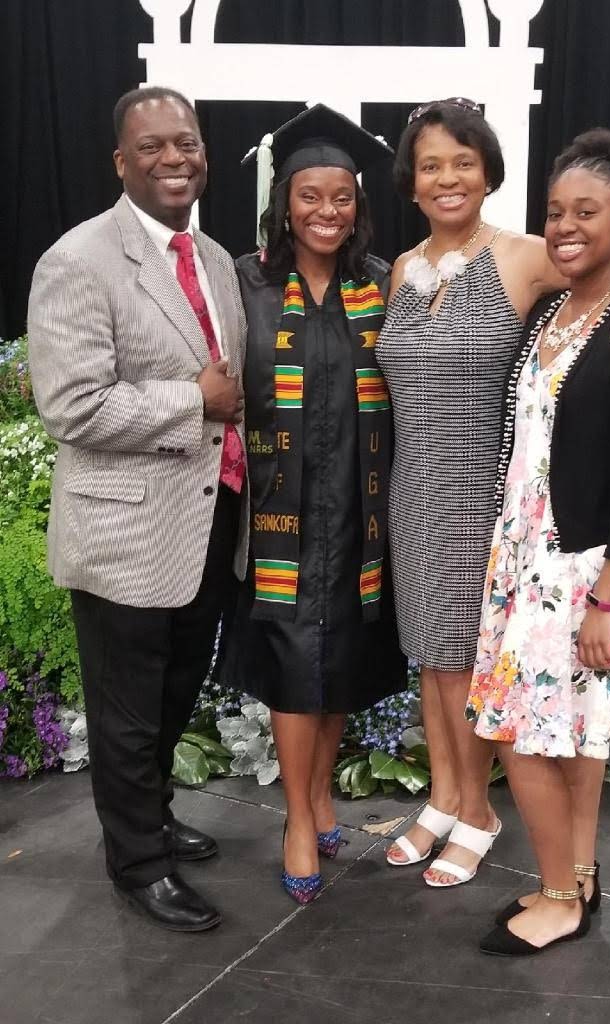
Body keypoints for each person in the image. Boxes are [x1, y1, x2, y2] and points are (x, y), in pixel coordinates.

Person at [376, 99, 610, 888]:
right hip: (414, 489)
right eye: (432, 163)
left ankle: (477, 807)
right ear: (411, 180)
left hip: (489, 493)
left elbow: (603, 262)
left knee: (468, 657)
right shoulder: (402, 270)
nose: (448, 177)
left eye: (463, 161)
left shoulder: (525, 253)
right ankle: (444, 795)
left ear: (488, 173)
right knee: (430, 655)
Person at [27, 87, 249, 932]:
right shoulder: (78, 260)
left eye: (185, 143)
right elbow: (72, 408)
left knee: (171, 697)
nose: (174, 158)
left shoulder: (216, 259)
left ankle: (145, 818)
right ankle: (137, 866)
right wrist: (191, 400)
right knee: (125, 710)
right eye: (152, 146)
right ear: (122, 162)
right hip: (124, 528)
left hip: (206, 523)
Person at [467, 128, 610, 955]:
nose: (564, 226)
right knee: (570, 735)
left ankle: (556, 898)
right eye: (555, 210)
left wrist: (606, 595)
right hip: (522, 556)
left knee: (518, 735)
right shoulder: (552, 310)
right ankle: (578, 875)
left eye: (587, 211)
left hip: (581, 568)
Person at [220, 105, 406, 904]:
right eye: (309, 196)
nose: (326, 211)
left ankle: (321, 792)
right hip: (280, 516)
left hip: (363, 515)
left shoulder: (386, 283)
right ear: (283, 202)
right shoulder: (245, 282)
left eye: (341, 197)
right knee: (299, 670)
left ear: (358, 205)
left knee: (341, 668)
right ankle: (297, 818)